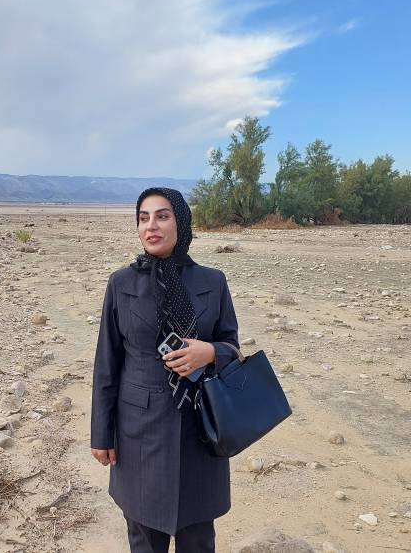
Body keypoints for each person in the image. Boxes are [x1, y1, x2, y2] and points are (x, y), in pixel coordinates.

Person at [90, 187, 240, 553]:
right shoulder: (121, 283)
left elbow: (233, 350)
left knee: (198, 540)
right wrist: (101, 434)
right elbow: (107, 363)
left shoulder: (213, 281)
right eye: (143, 218)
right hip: (139, 432)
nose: (151, 226)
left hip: (201, 427)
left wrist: (209, 352)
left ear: (181, 222)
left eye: (162, 216)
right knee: (144, 540)